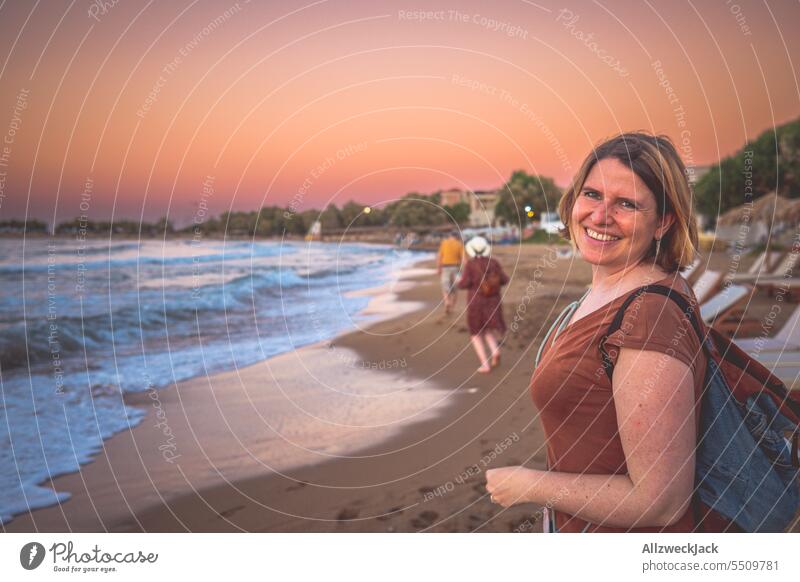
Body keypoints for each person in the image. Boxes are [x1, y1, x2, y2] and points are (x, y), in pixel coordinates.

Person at [485, 132, 704, 532]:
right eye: (592, 195)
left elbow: (660, 501)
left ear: (664, 221)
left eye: (626, 204)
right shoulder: (609, 292)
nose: (601, 215)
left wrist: (529, 485)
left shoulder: (648, 316)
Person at [458, 236, 509, 373]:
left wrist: (458, 281)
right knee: (487, 330)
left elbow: (464, 284)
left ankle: (485, 365)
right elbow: (504, 280)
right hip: (493, 301)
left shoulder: (470, 264)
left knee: (475, 333)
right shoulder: (494, 262)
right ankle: (495, 351)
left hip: (476, 303)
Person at [436, 231, 465, 314]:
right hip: (456, 268)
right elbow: (464, 259)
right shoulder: (459, 244)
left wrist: (438, 268)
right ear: (457, 237)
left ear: (450, 236)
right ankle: (452, 307)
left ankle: (447, 302)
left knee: (445, 288)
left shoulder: (444, 243)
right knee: (455, 289)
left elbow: (439, 256)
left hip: (445, 267)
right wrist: (467, 269)